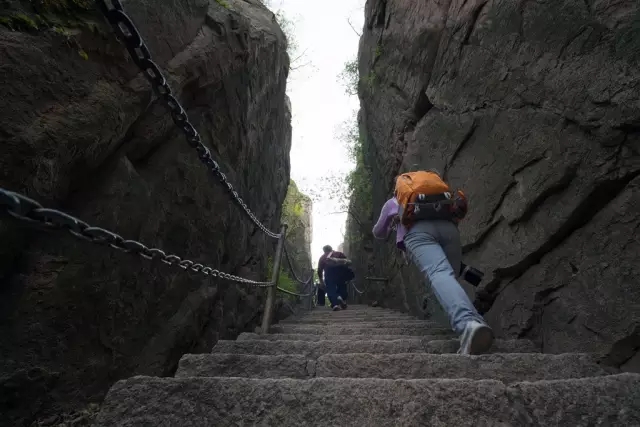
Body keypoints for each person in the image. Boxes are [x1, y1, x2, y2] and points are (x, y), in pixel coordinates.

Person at [372, 171, 494, 355]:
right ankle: (478, 326)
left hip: (418, 234)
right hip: (449, 229)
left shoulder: (394, 202)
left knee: (439, 274)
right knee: (449, 279)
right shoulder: (434, 194)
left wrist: (392, 224)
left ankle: (467, 324)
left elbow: (378, 232)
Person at [317, 245, 351, 311]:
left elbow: (319, 270)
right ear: (331, 249)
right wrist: (347, 276)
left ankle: (335, 304)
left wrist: (321, 281)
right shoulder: (339, 254)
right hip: (340, 273)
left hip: (329, 274)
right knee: (342, 288)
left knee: (331, 290)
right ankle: (340, 298)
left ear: (324, 251)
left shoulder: (322, 257)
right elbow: (346, 263)